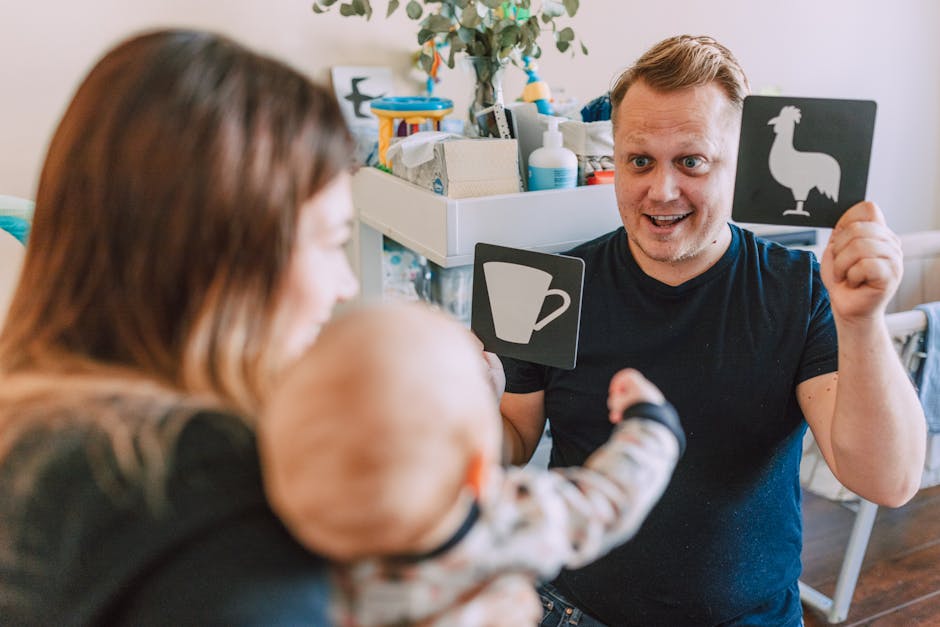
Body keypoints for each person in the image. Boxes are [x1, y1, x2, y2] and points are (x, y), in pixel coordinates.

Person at [497, 34, 927, 626]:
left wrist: (863, 320)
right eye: (639, 161)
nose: (662, 190)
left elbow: (889, 481)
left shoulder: (799, 289)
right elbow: (510, 440)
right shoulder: (555, 284)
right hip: (574, 612)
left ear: (739, 163)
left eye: (692, 161)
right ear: (614, 160)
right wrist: (452, 408)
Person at [0, 29, 367, 625]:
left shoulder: (30, 433)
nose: (346, 285)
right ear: (225, 257)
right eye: (331, 241)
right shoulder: (207, 481)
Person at [259, 302, 685, 626]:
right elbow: (604, 501)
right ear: (481, 473)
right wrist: (651, 427)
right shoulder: (506, 521)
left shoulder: (325, 565)